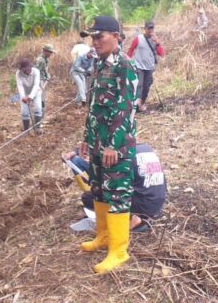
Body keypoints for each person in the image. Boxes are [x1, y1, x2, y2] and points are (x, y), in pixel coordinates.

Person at [79, 15, 138, 274]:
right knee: (98, 190)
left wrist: (113, 145)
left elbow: (125, 108)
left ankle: (119, 250)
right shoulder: (100, 65)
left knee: (116, 194)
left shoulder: (124, 66)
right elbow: (94, 108)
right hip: (98, 144)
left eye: (99, 36)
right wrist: (87, 140)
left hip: (117, 147)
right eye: (93, 36)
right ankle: (103, 237)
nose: (95, 41)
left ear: (116, 36)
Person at [63, 143, 166, 232]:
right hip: (157, 202)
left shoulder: (123, 156)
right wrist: (77, 151)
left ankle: (133, 219)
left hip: (141, 205)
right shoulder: (145, 148)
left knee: (88, 198)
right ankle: (138, 215)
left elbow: (113, 186)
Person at [127, 20, 165, 113]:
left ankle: (142, 102)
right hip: (139, 65)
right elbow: (131, 49)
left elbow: (161, 53)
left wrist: (157, 43)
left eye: (152, 28)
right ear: (145, 29)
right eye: (149, 28)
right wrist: (128, 60)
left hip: (149, 67)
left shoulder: (154, 40)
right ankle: (137, 104)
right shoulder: (139, 38)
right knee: (139, 85)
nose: (150, 30)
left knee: (146, 86)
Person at [15, 59, 43, 134]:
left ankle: (37, 128)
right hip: (24, 93)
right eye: (24, 70)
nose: (26, 71)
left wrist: (30, 97)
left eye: (28, 69)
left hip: (36, 92)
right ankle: (26, 130)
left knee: (38, 109)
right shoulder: (18, 73)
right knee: (24, 112)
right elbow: (20, 86)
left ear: (31, 67)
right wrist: (23, 97)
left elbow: (36, 85)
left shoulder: (36, 71)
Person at [35, 44, 56, 115]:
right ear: (45, 51)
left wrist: (47, 75)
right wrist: (39, 84)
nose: (51, 54)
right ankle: (39, 119)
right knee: (40, 100)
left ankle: (41, 118)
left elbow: (44, 70)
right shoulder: (40, 60)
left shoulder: (45, 59)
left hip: (43, 81)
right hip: (40, 82)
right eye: (50, 52)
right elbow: (36, 72)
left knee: (42, 100)